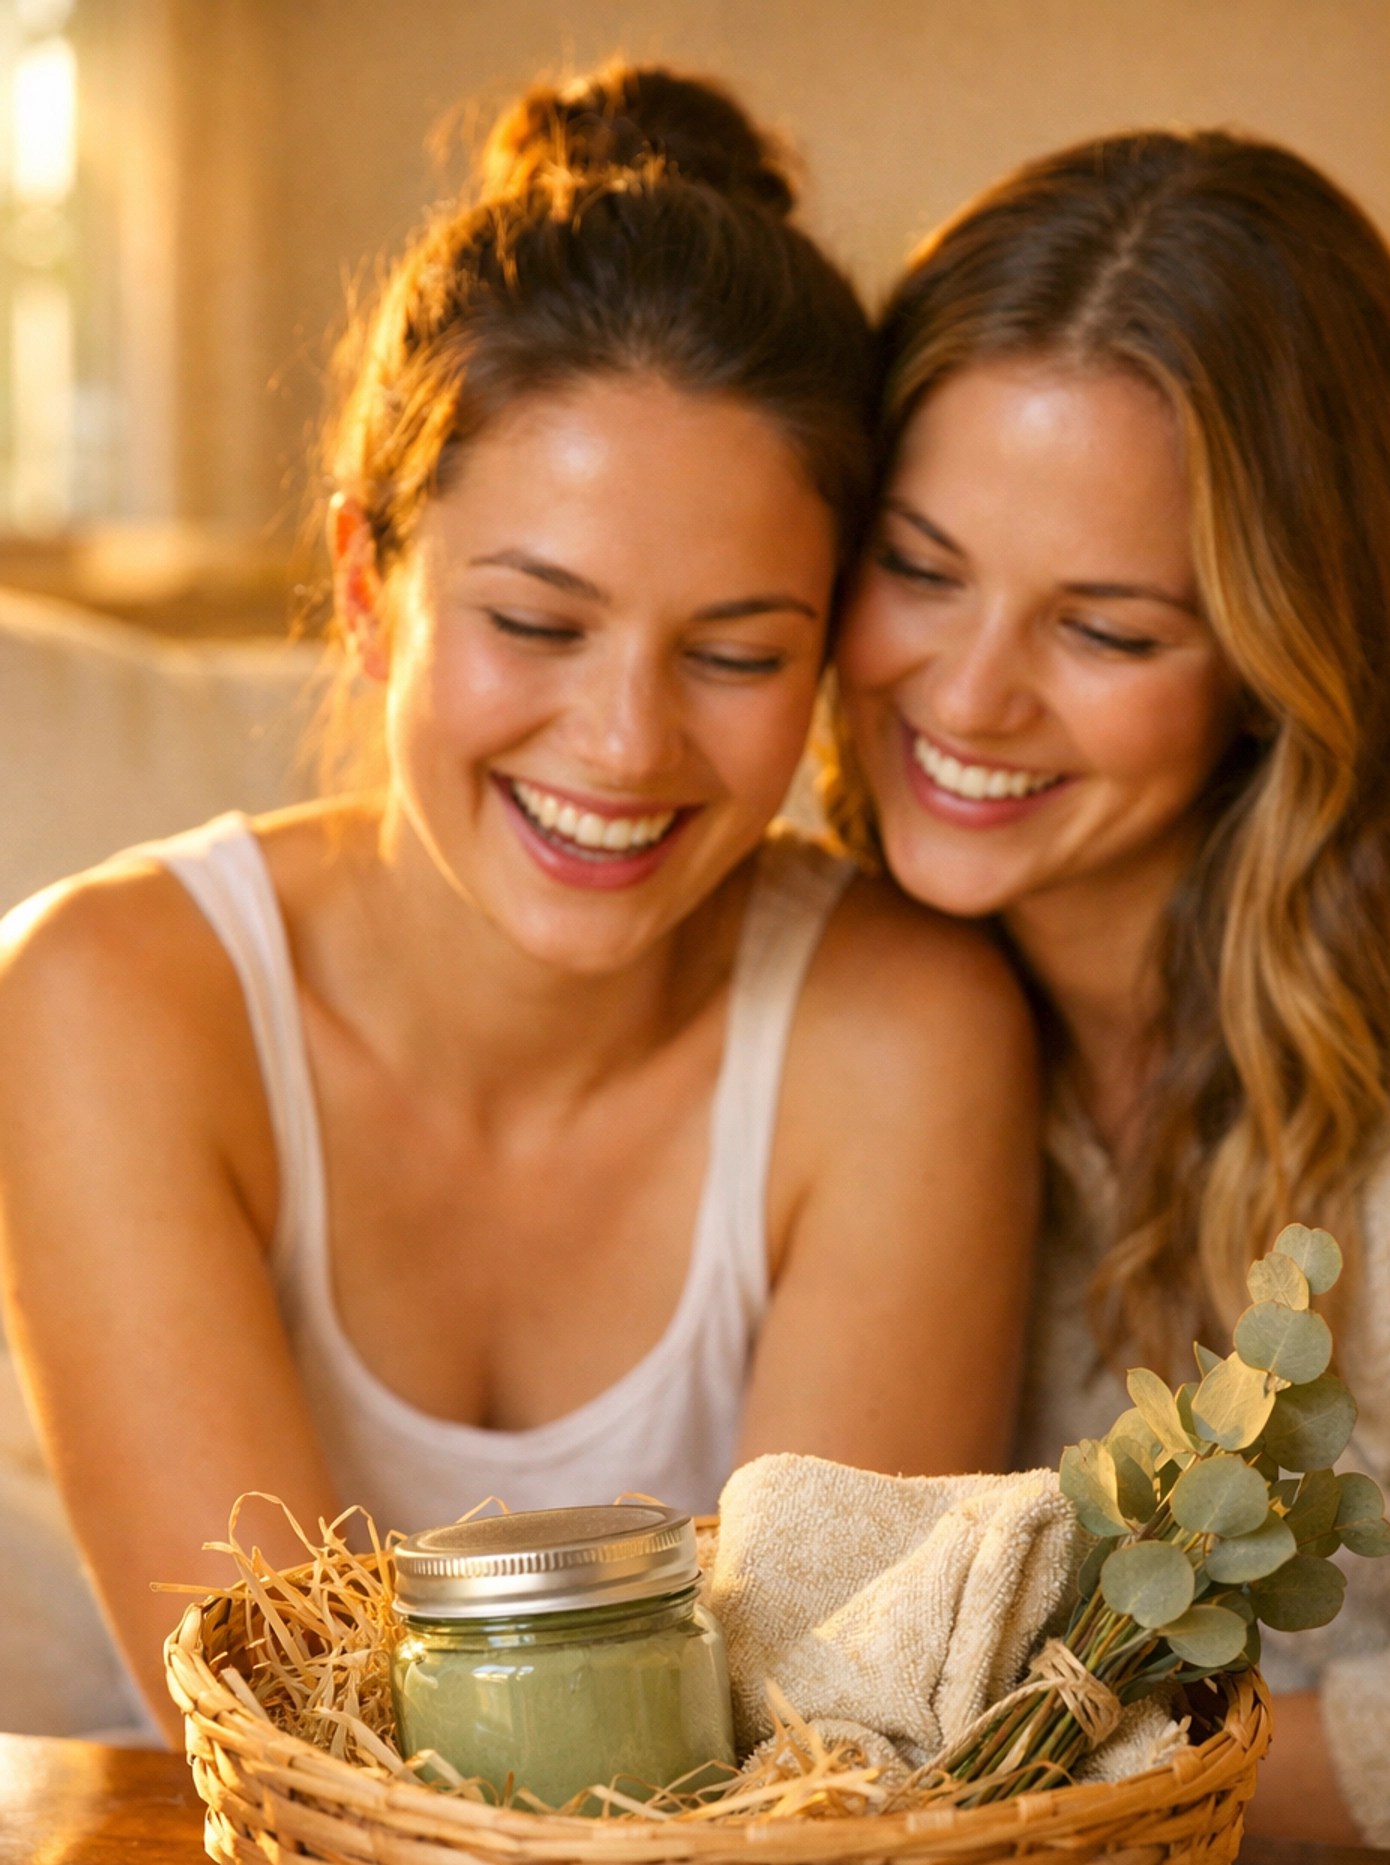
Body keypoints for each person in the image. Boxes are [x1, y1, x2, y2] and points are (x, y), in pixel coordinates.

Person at [0, 65, 1035, 1740]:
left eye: (736, 652)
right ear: (367, 585)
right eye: (537, 625)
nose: (626, 743)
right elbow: (295, 1743)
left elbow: (836, 1756)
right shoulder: (104, 999)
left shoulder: (908, 1029)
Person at [827, 129, 1390, 1859]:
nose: (967, 697)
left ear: (1286, 658)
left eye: (1109, 631)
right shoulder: (851, 992)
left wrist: (1020, 1798)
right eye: (921, 568)